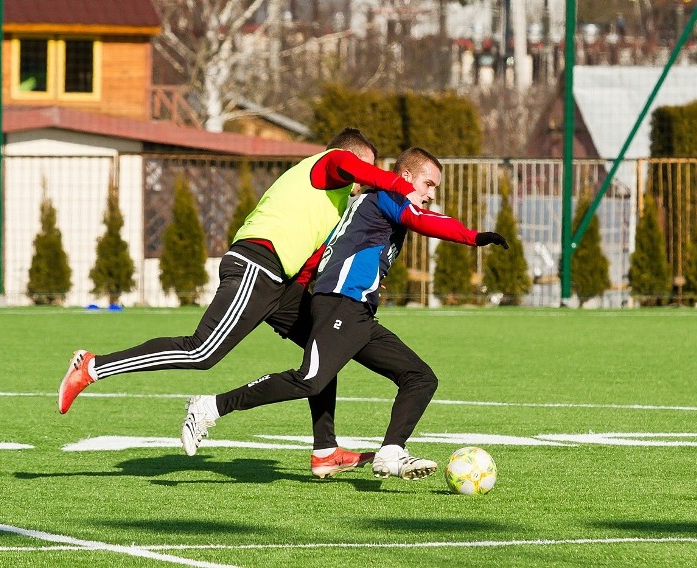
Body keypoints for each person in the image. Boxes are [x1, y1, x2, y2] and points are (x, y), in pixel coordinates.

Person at [58, 128, 424, 479]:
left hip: (283, 283)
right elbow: (354, 169)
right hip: (257, 265)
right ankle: (93, 367)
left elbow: (315, 259)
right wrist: (399, 184)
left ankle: (325, 450)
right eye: (365, 169)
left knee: (324, 346)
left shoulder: (341, 201)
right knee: (201, 352)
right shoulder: (327, 163)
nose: (365, 180)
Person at [180, 147, 509, 480]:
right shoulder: (388, 196)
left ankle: (383, 451)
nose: (431, 193)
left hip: (358, 312)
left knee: (420, 378)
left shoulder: (365, 204)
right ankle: (211, 406)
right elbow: (420, 220)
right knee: (310, 379)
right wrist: (474, 237)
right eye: (428, 183)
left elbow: (324, 252)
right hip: (341, 303)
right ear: (406, 177)